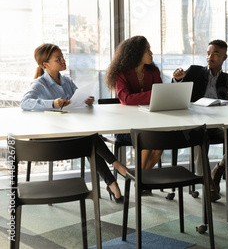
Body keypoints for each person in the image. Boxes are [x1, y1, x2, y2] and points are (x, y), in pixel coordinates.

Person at [20, 43, 128, 203]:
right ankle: (115, 165)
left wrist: (87, 101)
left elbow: (77, 100)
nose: (63, 61)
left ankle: (112, 184)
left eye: (63, 57)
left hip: (73, 132)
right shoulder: (39, 84)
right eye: (59, 59)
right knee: (90, 138)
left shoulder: (67, 81)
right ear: (46, 64)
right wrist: (52, 103)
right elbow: (24, 102)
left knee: (89, 139)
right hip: (53, 137)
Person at [172, 39, 228, 202]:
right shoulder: (194, 71)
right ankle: (208, 185)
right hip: (196, 124)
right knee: (199, 139)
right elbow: (175, 92)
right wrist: (177, 79)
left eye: (215, 53)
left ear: (224, 57)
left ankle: (219, 170)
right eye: (208, 53)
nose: (210, 57)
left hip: (219, 126)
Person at [105, 35, 163, 171]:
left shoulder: (153, 71)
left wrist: (155, 95)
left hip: (151, 123)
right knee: (148, 140)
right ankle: (142, 182)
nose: (151, 53)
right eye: (147, 50)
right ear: (136, 53)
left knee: (159, 145)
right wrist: (153, 94)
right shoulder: (121, 73)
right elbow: (126, 99)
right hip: (126, 126)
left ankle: (139, 179)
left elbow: (160, 96)